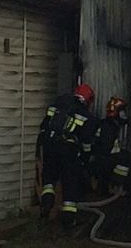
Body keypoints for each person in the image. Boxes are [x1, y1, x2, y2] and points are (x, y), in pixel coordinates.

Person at [36, 83, 97, 230]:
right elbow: (87, 141)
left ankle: (45, 208)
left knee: (49, 180)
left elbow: (44, 125)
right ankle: (68, 222)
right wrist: (86, 159)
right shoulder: (86, 115)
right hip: (68, 150)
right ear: (88, 100)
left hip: (50, 145)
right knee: (70, 183)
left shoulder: (58, 104)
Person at [89, 96, 131, 195]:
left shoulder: (109, 123)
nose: (124, 114)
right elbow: (105, 148)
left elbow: (125, 121)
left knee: (126, 156)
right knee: (127, 159)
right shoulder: (109, 126)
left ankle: (112, 185)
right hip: (104, 159)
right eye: (122, 111)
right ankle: (115, 185)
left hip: (103, 157)